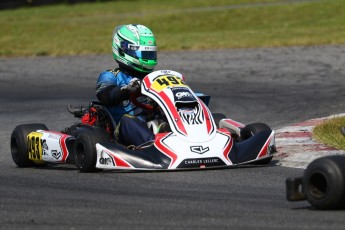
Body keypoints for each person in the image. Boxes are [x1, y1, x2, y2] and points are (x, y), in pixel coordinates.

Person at [95, 24, 158, 147]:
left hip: (151, 123)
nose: (148, 58)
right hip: (121, 131)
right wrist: (126, 90)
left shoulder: (154, 77)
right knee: (128, 120)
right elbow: (106, 95)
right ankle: (154, 146)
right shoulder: (110, 75)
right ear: (124, 50)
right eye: (145, 54)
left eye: (150, 54)